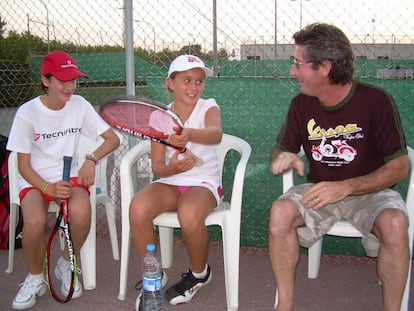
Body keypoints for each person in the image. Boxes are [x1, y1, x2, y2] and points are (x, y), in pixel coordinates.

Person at [268, 23, 409, 311]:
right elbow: (281, 149)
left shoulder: (376, 101)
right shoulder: (301, 104)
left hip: (370, 192)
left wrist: (346, 187)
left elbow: (399, 167)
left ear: (325, 68)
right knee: (280, 213)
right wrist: (282, 157)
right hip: (320, 192)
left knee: (395, 224)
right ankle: (286, 305)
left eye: (298, 64)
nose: (292, 71)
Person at [7, 50, 120, 310]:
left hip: (68, 176)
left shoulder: (79, 105)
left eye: (73, 79)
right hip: (35, 180)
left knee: (82, 211)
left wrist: (91, 159)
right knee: (34, 222)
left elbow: (112, 139)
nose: (69, 86)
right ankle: (35, 278)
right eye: (62, 79)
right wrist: (47, 187)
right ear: (45, 80)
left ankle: (66, 263)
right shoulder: (27, 113)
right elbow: (23, 165)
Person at [129, 54, 223, 310]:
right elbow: (159, 166)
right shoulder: (159, 118)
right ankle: (154, 276)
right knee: (137, 207)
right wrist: (173, 167)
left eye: (199, 81)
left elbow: (216, 134)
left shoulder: (208, 106)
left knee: (189, 212)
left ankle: (199, 274)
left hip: (203, 183)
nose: (194, 87)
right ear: (170, 83)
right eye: (186, 80)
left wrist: (188, 133)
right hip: (171, 181)